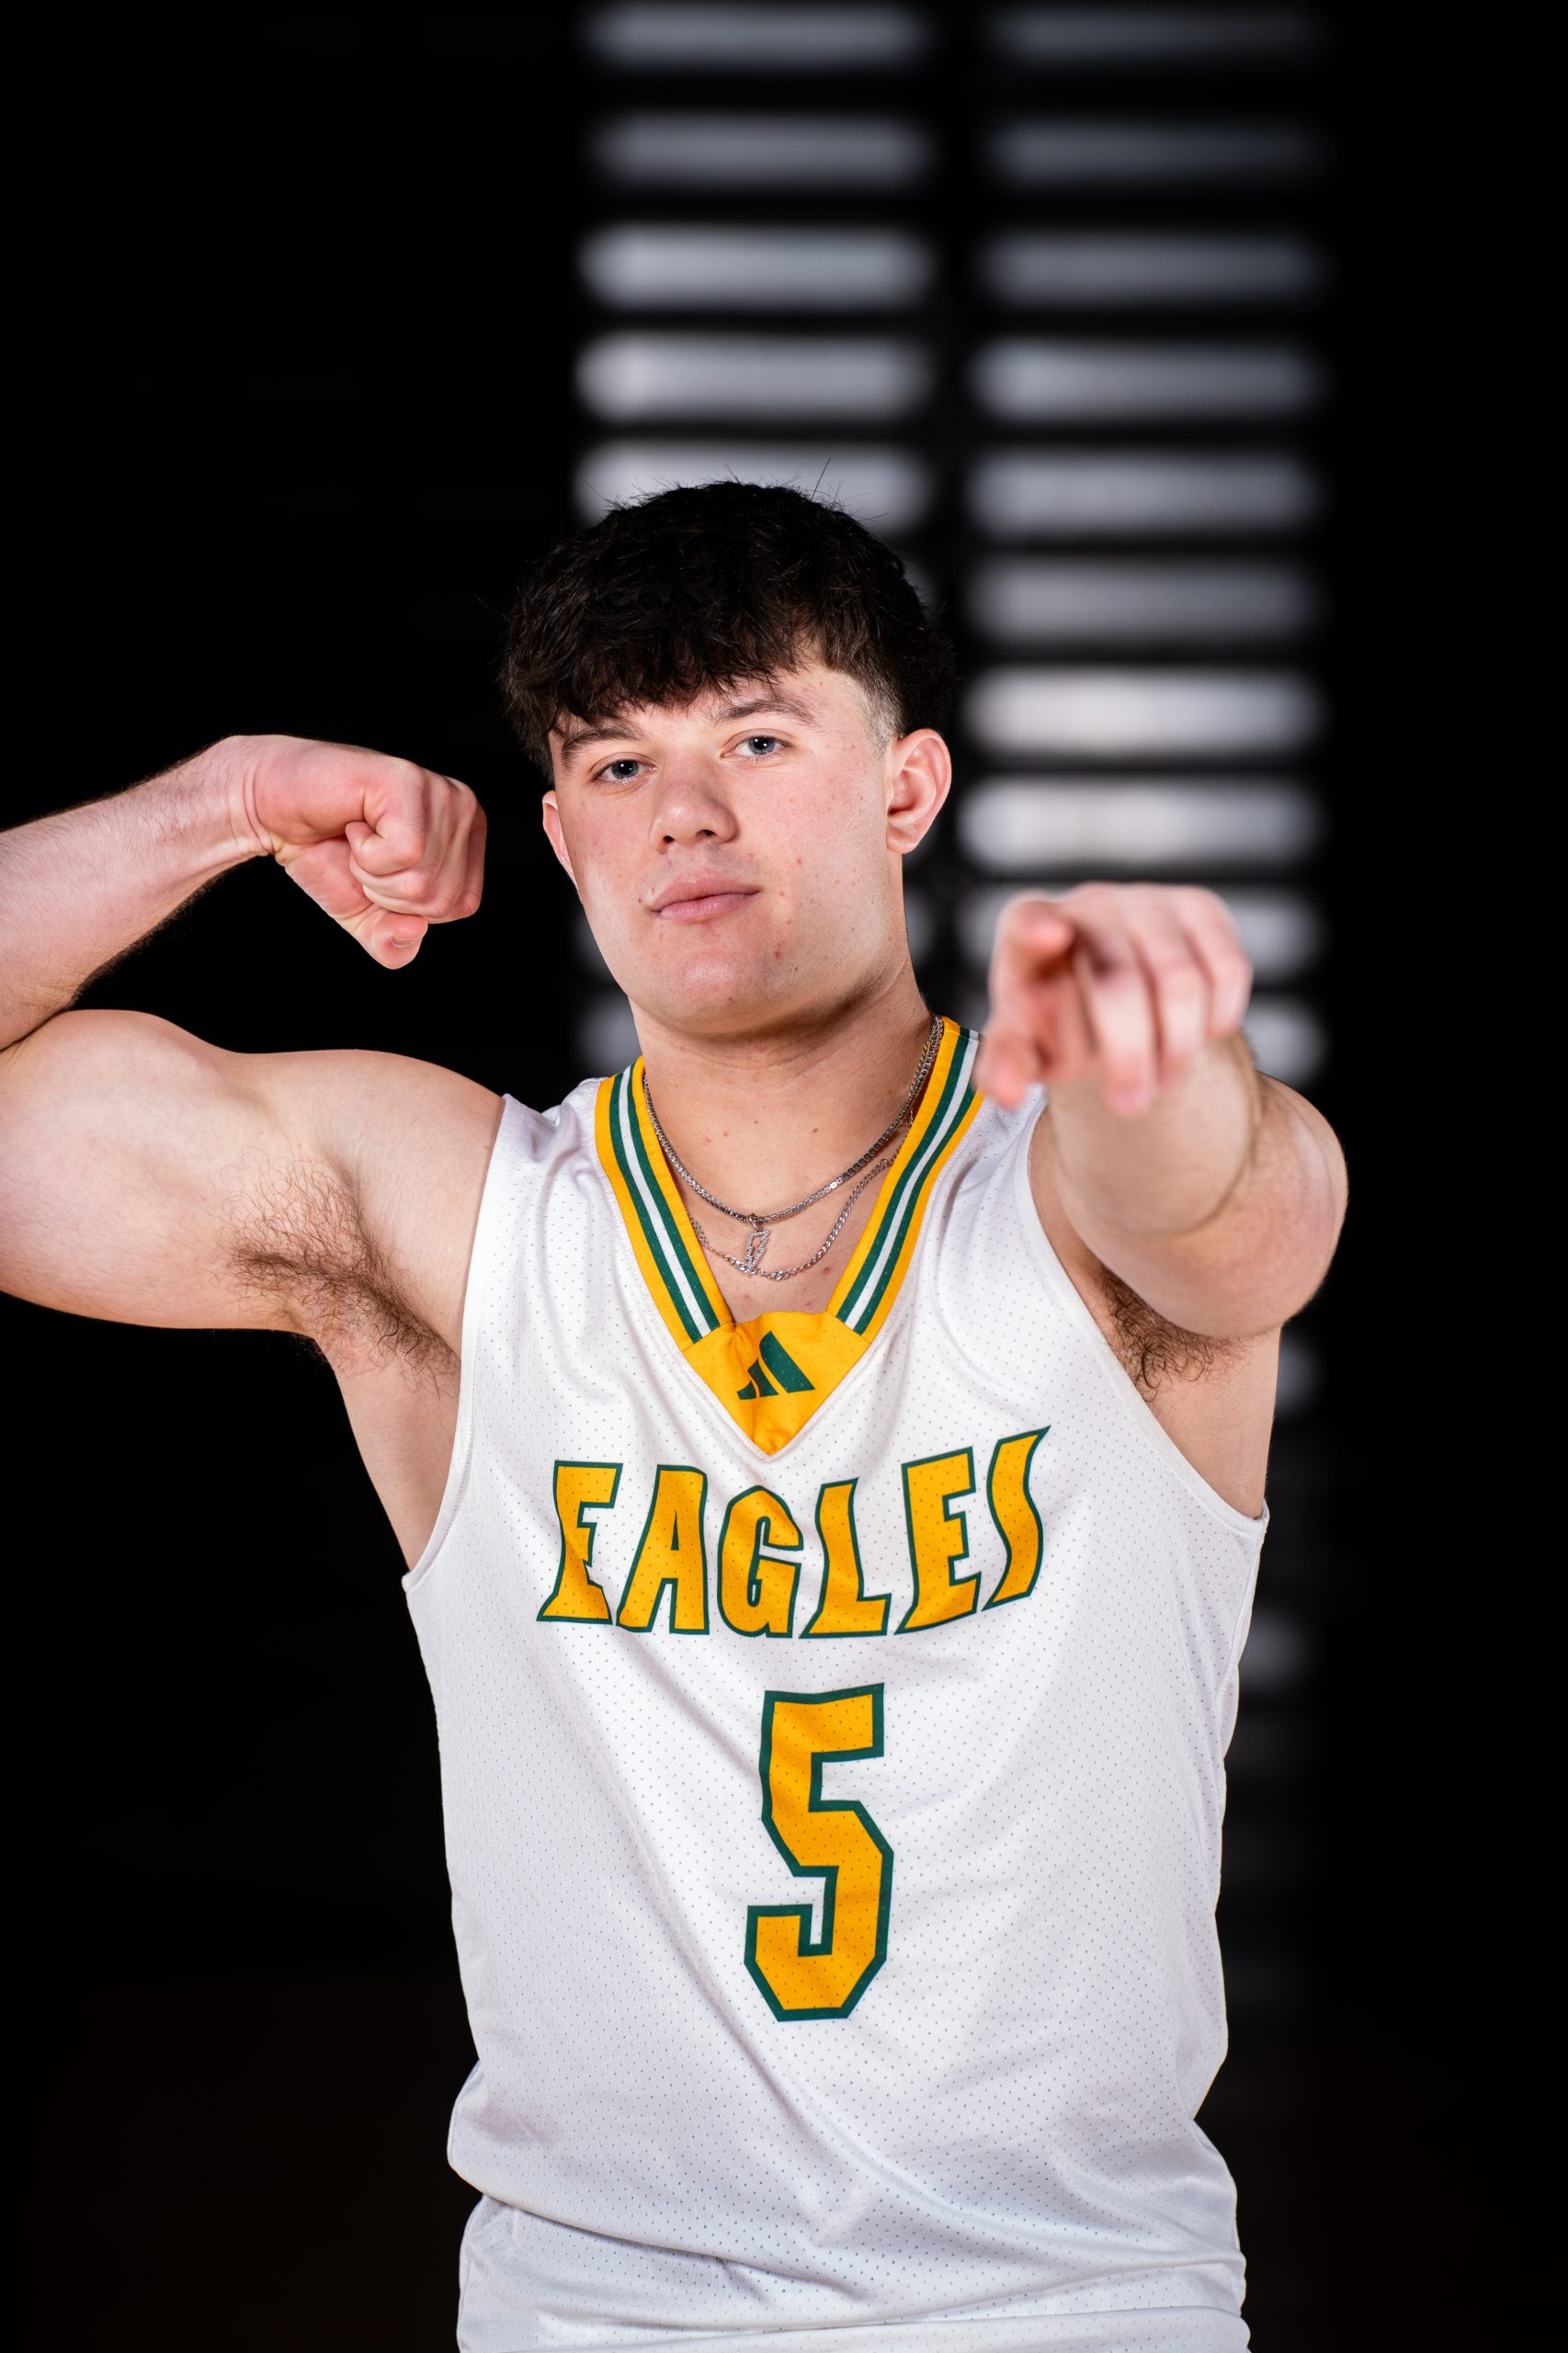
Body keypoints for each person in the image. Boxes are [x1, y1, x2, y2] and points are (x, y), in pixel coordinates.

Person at [0, 483, 1345, 2350]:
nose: (684, 813)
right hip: (595, 2313)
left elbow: (1236, 1212)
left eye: (758, 738)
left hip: (1074, 2305)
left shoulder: (1064, 1198)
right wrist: (219, 801)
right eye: (618, 763)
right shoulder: (461, 1224)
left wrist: (1155, 1048)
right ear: (561, 835)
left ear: (908, 786)